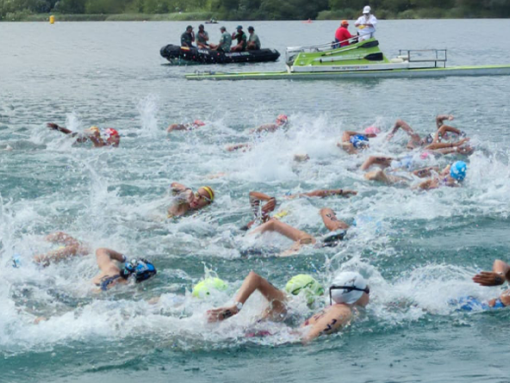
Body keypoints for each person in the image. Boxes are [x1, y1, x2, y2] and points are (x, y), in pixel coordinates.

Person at [207, 271, 370, 344]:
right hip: (258, 337)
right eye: (367, 290)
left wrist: (236, 307)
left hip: (255, 332)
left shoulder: (328, 309)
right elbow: (308, 337)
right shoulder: (343, 311)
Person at [249, 207, 350, 256]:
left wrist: (246, 238)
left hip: (319, 243)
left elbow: (272, 224)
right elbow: (272, 223)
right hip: (323, 242)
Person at [46, 123, 120, 148]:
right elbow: (73, 134)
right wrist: (59, 128)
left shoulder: (111, 146)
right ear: (109, 138)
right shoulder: (100, 142)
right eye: (116, 137)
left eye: (118, 136)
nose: (119, 138)